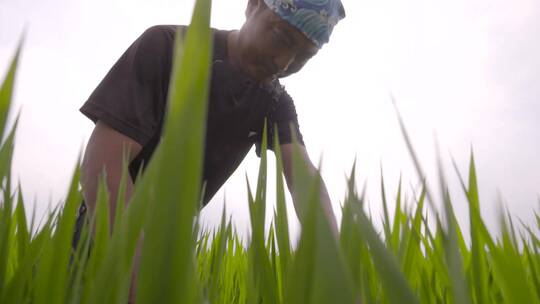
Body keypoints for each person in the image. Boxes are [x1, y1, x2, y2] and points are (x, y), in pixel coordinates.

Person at [73, 0, 345, 302]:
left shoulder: (275, 102)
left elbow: (304, 178)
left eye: (304, 56)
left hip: (172, 253)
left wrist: (339, 274)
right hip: (98, 237)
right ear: (253, 5)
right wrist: (137, 274)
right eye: (282, 37)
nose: (284, 63)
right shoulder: (167, 47)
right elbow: (103, 163)